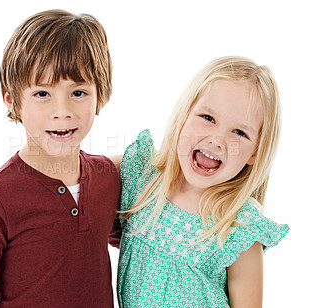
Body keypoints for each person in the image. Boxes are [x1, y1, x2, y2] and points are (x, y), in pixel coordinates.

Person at [0, 9, 121, 307]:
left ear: (101, 94)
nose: (62, 110)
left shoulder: (109, 178)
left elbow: (142, 248)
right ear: (11, 99)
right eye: (42, 94)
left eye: (79, 92)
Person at [114, 56, 289, 307]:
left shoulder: (239, 228)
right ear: (184, 114)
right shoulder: (141, 177)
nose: (217, 139)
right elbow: (79, 170)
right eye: (208, 117)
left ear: (254, 153)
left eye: (239, 132)